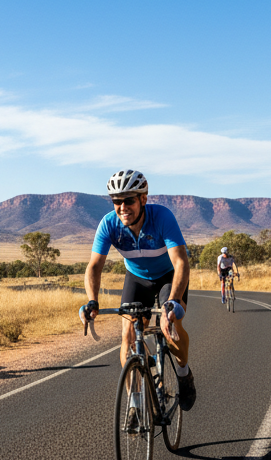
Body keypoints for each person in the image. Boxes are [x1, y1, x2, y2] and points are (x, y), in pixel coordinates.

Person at [81, 169, 196, 410]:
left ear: (143, 199)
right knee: (128, 335)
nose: (122, 207)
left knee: (170, 326)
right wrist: (92, 301)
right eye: (116, 201)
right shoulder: (109, 224)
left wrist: (172, 302)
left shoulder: (162, 217)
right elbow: (94, 266)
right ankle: (135, 404)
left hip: (168, 278)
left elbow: (181, 262)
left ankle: (184, 373)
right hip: (137, 278)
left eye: (129, 200)